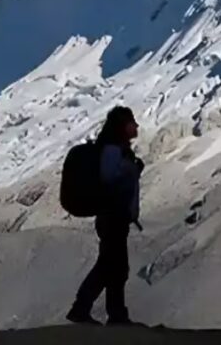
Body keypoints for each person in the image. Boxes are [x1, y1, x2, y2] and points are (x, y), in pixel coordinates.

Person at [68, 106, 144, 326]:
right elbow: (109, 176)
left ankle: (99, 310)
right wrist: (129, 170)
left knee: (111, 266)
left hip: (114, 216)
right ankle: (105, 312)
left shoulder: (116, 148)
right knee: (114, 267)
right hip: (112, 216)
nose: (135, 126)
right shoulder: (112, 149)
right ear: (122, 126)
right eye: (132, 122)